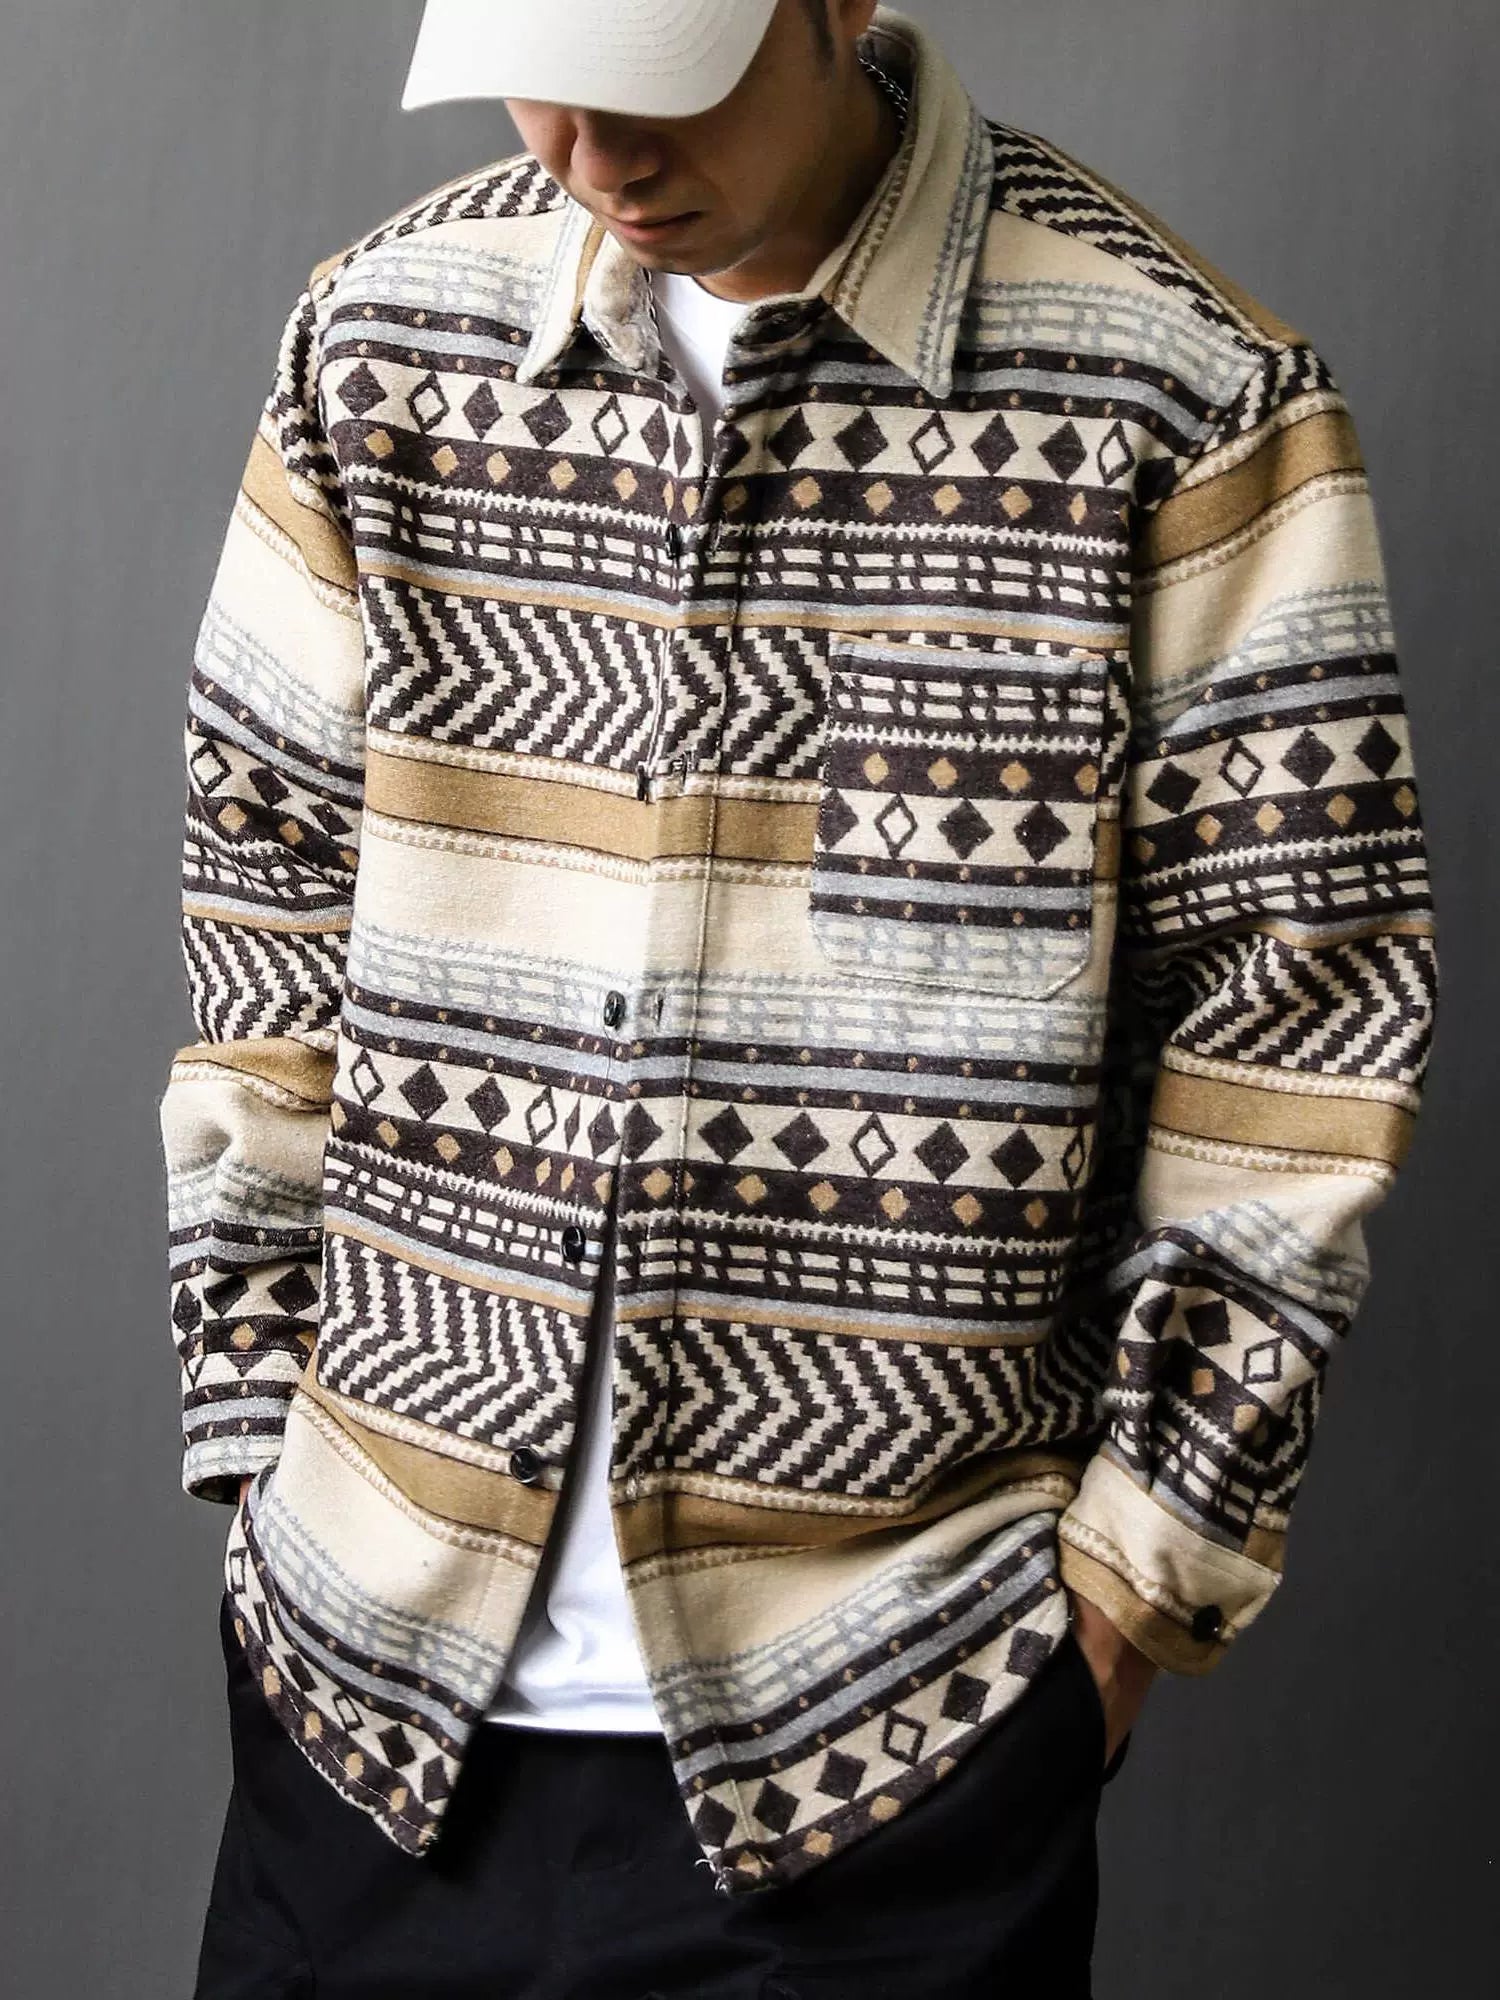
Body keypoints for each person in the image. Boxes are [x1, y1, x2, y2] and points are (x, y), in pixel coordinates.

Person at [159, 3, 1438, 1994]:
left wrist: (1131, 1590)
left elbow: (1297, 1028)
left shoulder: (1182, 396)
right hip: (367, 1726)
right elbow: (268, 897)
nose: (595, 154)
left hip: (894, 1762)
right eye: (543, 77)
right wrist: (257, 1432)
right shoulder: (373, 347)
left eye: (665, 78)